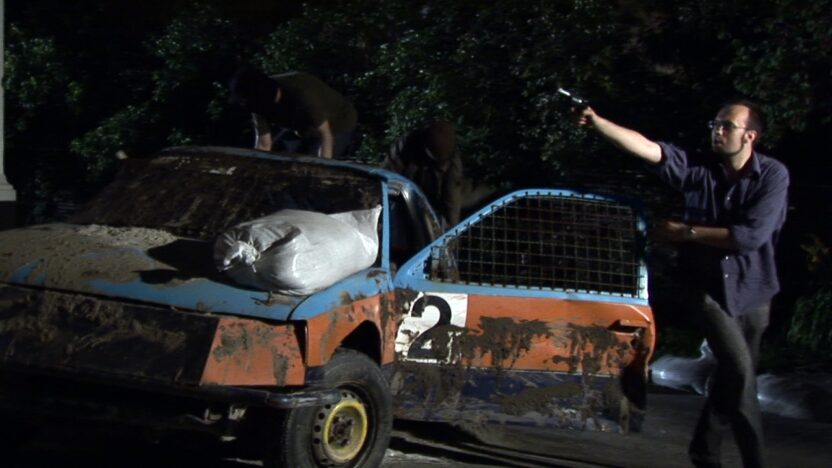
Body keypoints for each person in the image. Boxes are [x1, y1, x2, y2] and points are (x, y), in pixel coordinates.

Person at [576, 99, 789, 468]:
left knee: (731, 378)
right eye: (715, 124)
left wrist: (687, 232)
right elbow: (648, 148)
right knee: (741, 375)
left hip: (754, 289)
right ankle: (755, 461)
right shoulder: (698, 169)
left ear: (750, 136)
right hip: (707, 289)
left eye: (727, 126)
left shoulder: (772, 175)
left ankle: (704, 453)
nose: (717, 131)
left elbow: (750, 237)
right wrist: (597, 122)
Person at [229, 66, 357, 159]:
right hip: (301, 125)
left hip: (336, 124)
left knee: (309, 166)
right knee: (280, 156)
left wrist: (321, 169)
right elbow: (264, 144)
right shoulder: (256, 104)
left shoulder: (303, 93)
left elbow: (326, 136)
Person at [384, 121, 465, 227]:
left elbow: (452, 199)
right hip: (405, 192)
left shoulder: (453, 164)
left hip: (432, 196)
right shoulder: (406, 146)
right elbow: (388, 178)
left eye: (441, 163)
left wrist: (452, 231)